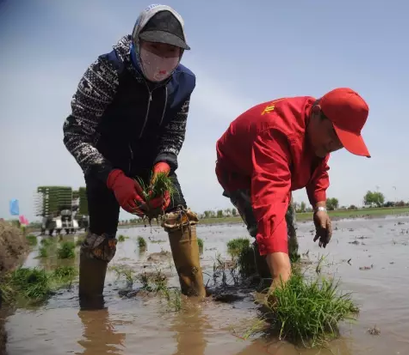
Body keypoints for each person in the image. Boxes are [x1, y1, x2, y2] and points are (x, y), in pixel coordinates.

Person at [63, 4, 206, 309]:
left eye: (173, 51)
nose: (163, 58)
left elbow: (173, 135)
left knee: (180, 217)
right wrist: (113, 178)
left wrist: (164, 166)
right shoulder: (106, 71)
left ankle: (196, 301)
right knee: (100, 236)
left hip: (151, 161)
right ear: (137, 40)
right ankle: (91, 310)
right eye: (155, 47)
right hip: (105, 162)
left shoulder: (185, 83)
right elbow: (75, 133)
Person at [215, 87, 371, 292]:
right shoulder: (277, 131)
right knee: (270, 233)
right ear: (316, 113)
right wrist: (281, 273)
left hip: (276, 169)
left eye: (343, 141)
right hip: (240, 171)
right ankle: (267, 289)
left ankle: (279, 280)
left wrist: (320, 208)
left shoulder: (321, 137)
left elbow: (319, 170)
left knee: (289, 240)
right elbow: (270, 202)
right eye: (334, 134)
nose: (335, 144)